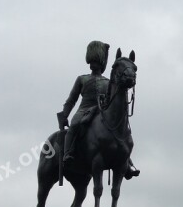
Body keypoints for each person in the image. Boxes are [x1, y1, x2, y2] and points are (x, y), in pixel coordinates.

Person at [57, 40, 140, 179]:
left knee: (120, 134)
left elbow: (111, 99)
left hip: (101, 111)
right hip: (84, 110)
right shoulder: (82, 79)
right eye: (92, 62)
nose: (93, 64)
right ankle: (68, 153)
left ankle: (127, 163)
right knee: (75, 125)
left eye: (96, 62)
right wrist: (65, 115)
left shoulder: (108, 81)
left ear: (101, 64)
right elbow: (72, 100)